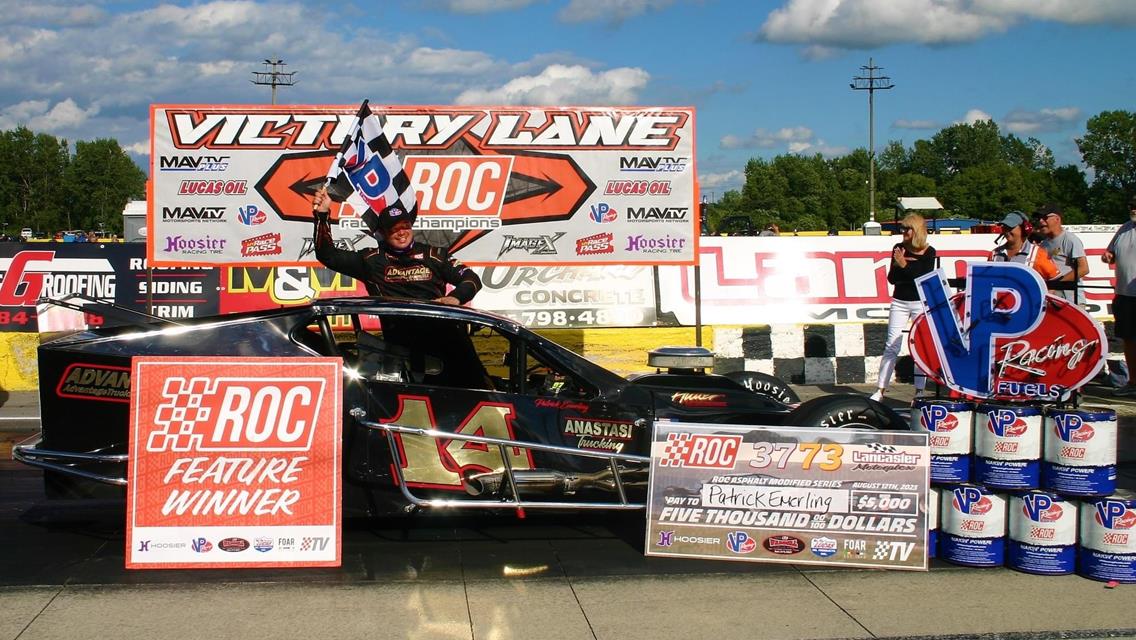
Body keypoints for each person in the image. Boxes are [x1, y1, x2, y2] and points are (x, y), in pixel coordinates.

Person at [310, 186, 481, 305]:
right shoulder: (371, 259)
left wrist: (456, 297)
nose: (401, 233)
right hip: (397, 342)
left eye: (405, 227)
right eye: (394, 229)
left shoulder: (435, 255)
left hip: (439, 329)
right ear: (383, 233)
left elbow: (471, 279)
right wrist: (322, 215)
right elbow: (327, 256)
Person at [871, 213, 937, 403]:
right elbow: (892, 278)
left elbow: (922, 278)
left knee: (920, 345)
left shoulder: (929, 251)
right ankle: (880, 389)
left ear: (916, 231)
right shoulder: (898, 248)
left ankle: (919, 390)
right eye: (902, 228)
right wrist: (904, 268)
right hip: (899, 300)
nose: (903, 232)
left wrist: (904, 265)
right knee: (892, 344)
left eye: (907, 228)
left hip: (919, 302)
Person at [1102, 195, 1136, 396]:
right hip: (1124, 293)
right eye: (1131, 205)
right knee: (1128, 339)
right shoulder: (1124, 228)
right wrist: (1108, 256)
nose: (1133, 209)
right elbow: (1109, 253)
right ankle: (1133, 382)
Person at [1035, 204, 1088, 305]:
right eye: (1039, 218)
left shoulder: (1069, 239)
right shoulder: (1044, 244)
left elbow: (1084, 269)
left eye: (1045, 217)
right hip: (1052, 300)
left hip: (1071, 301)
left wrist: (1056, 284)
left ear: (1057, 219)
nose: (1041, 221)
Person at [989, 210, 1058, 280]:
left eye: (1010, 227)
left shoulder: (1038, 254)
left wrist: (1045, 291)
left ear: (1024, 229)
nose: (1006, 231)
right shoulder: (994, 254)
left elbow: (1055, 280)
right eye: (1005, 227)